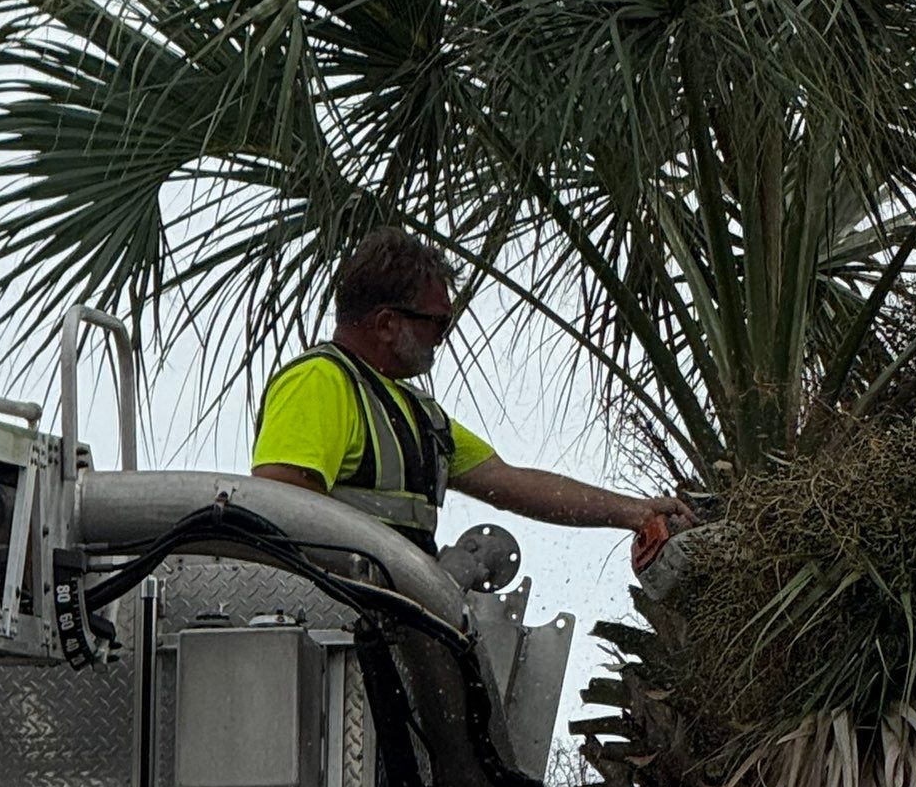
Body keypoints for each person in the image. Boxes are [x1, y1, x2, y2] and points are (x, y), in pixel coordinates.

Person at [250, 227, 688, 572]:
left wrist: (634, 511)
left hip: (394, 622)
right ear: (386, 324)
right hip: (341, 625)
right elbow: (280, 509)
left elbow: (511, 483)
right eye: (439, 324)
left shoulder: (419, 415)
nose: (443, 339)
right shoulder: (320, 381)